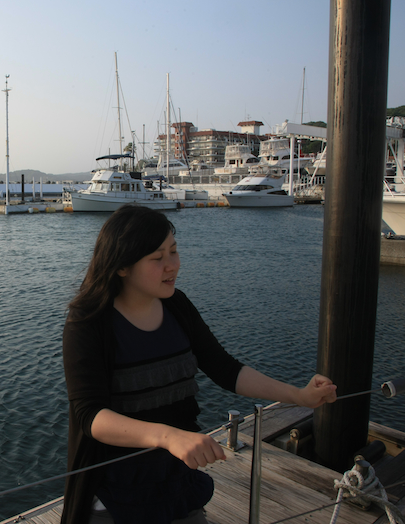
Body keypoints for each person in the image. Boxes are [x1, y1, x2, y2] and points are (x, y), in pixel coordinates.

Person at [61, 205, 337, 524]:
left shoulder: (177, 306)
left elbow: (226, 369)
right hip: (115, 495)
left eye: (174, 251)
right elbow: (91, 416)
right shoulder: (89, 322)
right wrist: (169, 437)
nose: (172, 265)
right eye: (157, 258)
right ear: (122, 265)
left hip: (178, 481)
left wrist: (299, 396)